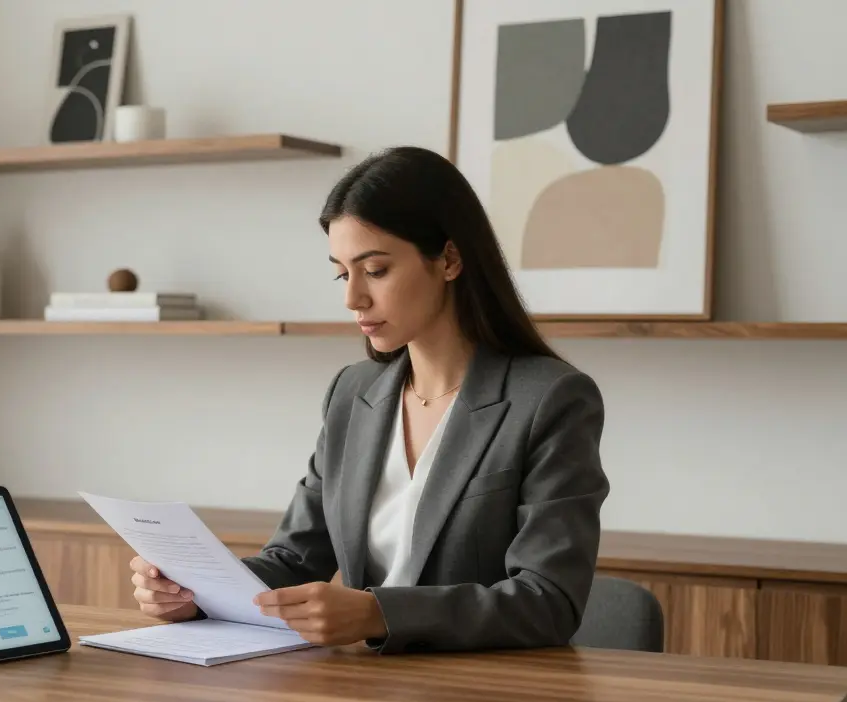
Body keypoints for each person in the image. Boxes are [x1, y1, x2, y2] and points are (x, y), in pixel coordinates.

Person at [128, 146, 609, 654]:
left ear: (448, 259)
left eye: (375, 270)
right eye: (342, 273)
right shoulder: (352, 393)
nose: (351, 298)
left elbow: (549, 601)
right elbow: (294, 560)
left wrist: (378, 614)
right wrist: (194, 594)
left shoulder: (550, 399)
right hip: (362, 687)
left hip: (483, 693)